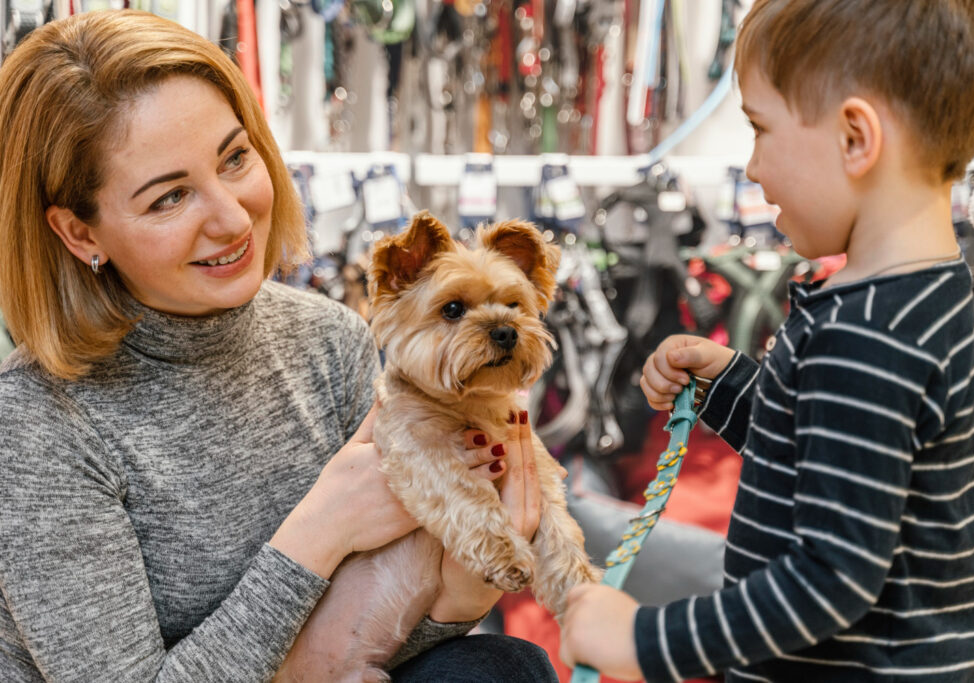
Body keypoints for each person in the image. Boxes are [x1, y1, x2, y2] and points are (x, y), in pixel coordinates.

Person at [0, 10, 557, 682]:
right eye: (170, 197)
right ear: (79, 234)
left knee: (498, 666)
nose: (234, 218)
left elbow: (370, 633)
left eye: (235, 157)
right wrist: (322, 528)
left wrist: (462, 590)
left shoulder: (327, 338)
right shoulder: (35, 422)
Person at [559, 1, 974, 681]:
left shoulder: (867, 333)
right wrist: (736, 386)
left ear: (855, 138)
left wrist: (646, 637)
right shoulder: (922, 292)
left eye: (760, 129)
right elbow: (837, 461)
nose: (752, 167)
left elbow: (829, 577)